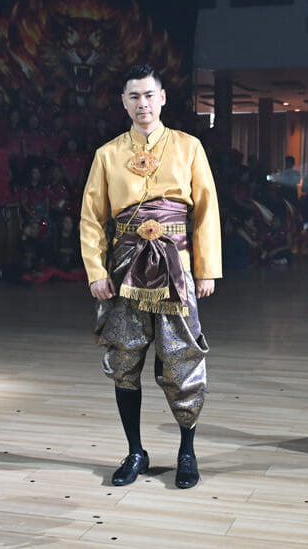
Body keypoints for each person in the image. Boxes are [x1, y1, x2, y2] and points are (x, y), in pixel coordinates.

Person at [80, 64, 222, 489]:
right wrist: (96, 272)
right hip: (125, 268)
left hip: (176, 267)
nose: (142, 103)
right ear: (124, 102)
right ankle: (135, 451)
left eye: (148, 95)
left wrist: (207, 270)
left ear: (162, 98)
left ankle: (187, 452)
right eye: (134, 97)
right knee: (124, 358)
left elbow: (206, 210)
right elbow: (92, 218)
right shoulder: (107, 154)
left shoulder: (189, 146)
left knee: (181, 359)